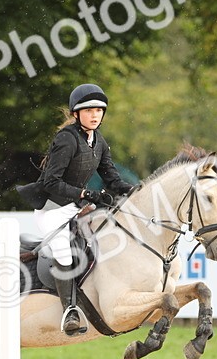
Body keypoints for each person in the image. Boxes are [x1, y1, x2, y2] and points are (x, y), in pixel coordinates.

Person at [17, 83, 135, 336]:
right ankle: (69, 310)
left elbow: (112, 178)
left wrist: (135, 190)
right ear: (76, 114)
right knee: (64, 252)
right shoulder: (66, 139)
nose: (95, 115)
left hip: (74, 207)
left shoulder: (98, 141)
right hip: (52, 209)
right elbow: (51, 182)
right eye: (89, 110)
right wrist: (85, 193)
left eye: (99, 111)